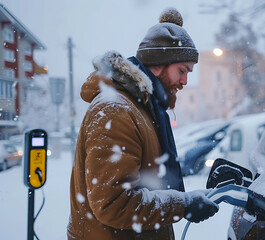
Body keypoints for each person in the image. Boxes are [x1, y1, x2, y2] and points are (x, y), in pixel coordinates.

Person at [67, 7, 219, 240]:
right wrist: (183, 205)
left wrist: (194, 199)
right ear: (158, 64)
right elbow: (114, 203)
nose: (185, 81)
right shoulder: (115, 111)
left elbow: (152, 186)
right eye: (182, 70)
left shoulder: (145, 110)